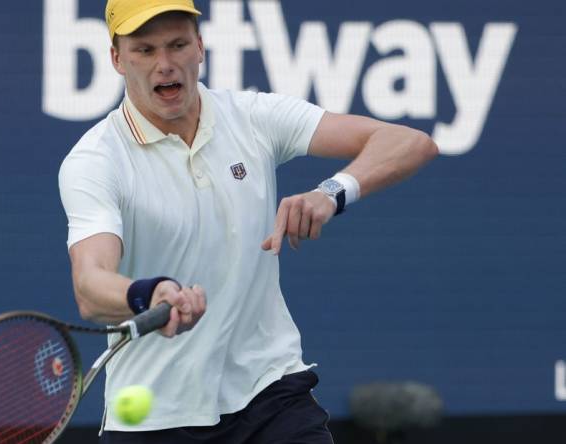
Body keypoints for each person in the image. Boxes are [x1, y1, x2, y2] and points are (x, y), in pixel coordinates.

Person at [58, 0, 438, 442]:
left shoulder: (251, 116)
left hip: (270, 394)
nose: (165, 65)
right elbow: (90, 284)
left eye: (177, 45)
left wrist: (332, 193)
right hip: (156, 415)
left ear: (199, 47)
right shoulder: (95, 160)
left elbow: (410, 142)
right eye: (144, 50)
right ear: (117, 59)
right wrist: (149, 293)